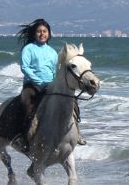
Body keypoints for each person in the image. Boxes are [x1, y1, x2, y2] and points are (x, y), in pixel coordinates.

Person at [13, 18, 86, 151]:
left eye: (45, 31)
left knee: (72, 103)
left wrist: (56, 83)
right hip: (32, 85)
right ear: (35, 34)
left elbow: (55, 71)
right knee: (29, 105)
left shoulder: (52, 52)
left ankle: (77, 133)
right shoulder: (29, 49)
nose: (42, 34)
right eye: (39, 31)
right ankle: (22, 137)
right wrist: (38, 81)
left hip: (50, 85)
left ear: (49, 34)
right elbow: (25, 67)